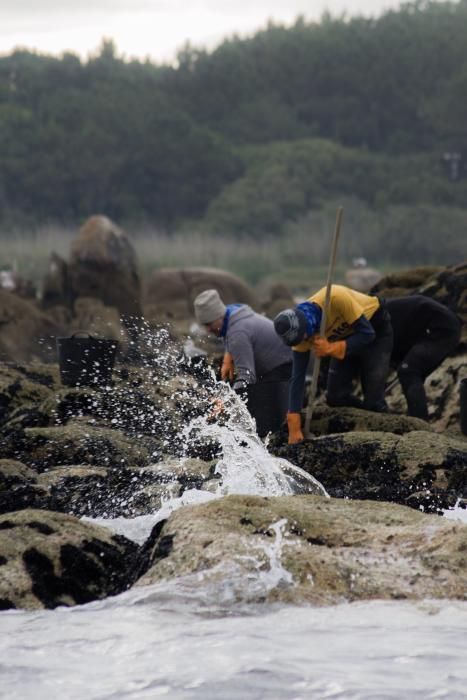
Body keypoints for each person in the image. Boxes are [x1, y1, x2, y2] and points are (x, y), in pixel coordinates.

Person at [274, 284, 393, 444]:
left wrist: (331, 348)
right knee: (335, 397)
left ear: (308, 325)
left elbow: (368, 334)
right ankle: (364, 421)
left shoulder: (335, 297)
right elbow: (297, 378)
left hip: (374, 329)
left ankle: (387, 434)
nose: (305, 342)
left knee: (374, 400)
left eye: (306, 337)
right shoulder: (299, 338)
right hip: (343, 339)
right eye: (300, 341)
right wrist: (293, 421)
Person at [193, 289, 292, 435]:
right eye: (204, 325)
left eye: (209, 324)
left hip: (281, 372)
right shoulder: (234, 314)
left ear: (219, 316)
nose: (208, 330)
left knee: (265, 430)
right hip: (278, 366)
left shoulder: (237, 332)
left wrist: (226, 401)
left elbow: (247, 376)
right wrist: (228, 353)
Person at [385, 295, 461, 420]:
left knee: (408, 371)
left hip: (441, 328)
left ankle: (419, 425)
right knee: (410, 372)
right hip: (430, 328)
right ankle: (418, 419)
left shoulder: (379, 322)